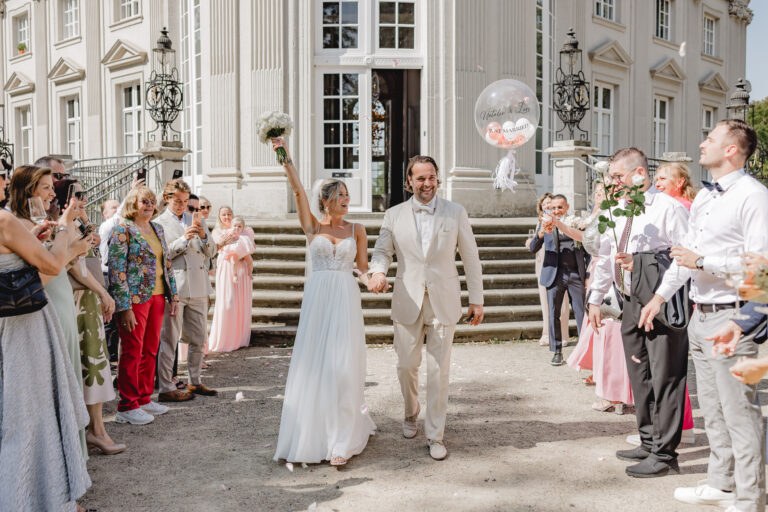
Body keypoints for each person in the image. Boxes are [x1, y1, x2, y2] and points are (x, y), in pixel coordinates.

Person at [639, 119, 768, 509]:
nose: (701, 142)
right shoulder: (706, 198)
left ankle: (750, 499)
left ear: (731, 149)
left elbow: (761, 267)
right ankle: (720, 482)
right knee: (712, 408)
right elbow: (685, 255)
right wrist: (660, 297)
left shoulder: (754, 196)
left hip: (734, 318)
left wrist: (704, 261)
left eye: (710, 138)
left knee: (740, 414)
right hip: (700, 314)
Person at [368, 154, 484, 461]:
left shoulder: (455, 212)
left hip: (444, 300)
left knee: (438, 370)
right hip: (407, 297)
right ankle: (411, 412)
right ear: (409, 182)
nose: (427, 183)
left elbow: (470, 257)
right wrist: (378, 271)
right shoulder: (393, 215)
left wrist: (477, 298)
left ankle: (436, 434)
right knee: (406, 365)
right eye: (420, 178)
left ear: (438, 179)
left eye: (431, 177)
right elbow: (382, 251)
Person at [271, 138, 375, 466]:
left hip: (344, 298)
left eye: (346, 194)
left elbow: (362, 268)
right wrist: (286, 158)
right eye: (339, 195)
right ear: (325, 200)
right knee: (316, 365)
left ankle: (342, 440)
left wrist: (373, 279)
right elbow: (299, 192)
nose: (345, 199)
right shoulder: (313, 227)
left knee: (343, 367)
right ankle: (314, 434)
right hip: (318, 301)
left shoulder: (358, 229)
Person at [588, 147, 690, 478]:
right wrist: (595, 297)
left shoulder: (668, 208)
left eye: (617, 176)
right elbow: (606, 255)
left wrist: (655, 286)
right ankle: (647, 439)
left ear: (639, 175)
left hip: (661, 301)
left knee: (666, 376)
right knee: (640, 375)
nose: (612, 182)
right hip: (630, 300)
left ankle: (664, 452)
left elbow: (683, 257)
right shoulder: (616, 209)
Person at [0, 169, 93, 512]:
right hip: (24, 327)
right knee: (31, 415)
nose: (3, 180)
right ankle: (28, 498)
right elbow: (52, 266)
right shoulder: (5, 220)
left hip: (5, 326)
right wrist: (67, 226)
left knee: (10, 412)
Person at [53, 179, 125, 456]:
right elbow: (76, 268)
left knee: (94, 364)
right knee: (88, 365)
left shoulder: (76, 224)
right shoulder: (60, 228)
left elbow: (92, 252)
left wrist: (83, 218)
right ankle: (94, 431)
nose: (84, 198)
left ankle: (97, 430)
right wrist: (104, 293)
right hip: (76, 301)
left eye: (85, 193)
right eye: (78, 194)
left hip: (87, 301)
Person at [108, 186, 179, 425]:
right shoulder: (122, 230)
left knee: (150, 349)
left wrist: (174, 295)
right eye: (143, 201)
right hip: (134, 299)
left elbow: (166, 264)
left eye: (151, 201)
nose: (149, 205)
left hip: (158, 295)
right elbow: (117, 272)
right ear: (133, 203)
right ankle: (126, 405)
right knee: (132, 350)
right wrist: (124, 306)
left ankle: (144, 397)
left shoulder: (157, 228)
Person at [155, 179, 217, 402]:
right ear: (167, 199)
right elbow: (162, 256)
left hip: (199, 285)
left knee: (199, 338)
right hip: (176, 288)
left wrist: (201, 235)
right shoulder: (158, 223)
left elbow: (211, 251)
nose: (183, 206)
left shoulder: (196, 219)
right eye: (178, 201)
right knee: (169, 339)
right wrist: (184, 239)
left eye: (186, 202)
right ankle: (165, 386)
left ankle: (195, 381)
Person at [529, 194, 587, 366]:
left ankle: (584, 350)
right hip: (554, 274)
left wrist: (588, 274)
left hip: (576, 274)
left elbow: (587, 248)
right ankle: (557, 351)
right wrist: (540, 233)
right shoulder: (545, 223)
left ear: (567, 207)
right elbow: (533, 248)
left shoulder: (576, 222)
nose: (556, 211)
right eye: (553, 208)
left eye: (560, 207)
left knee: (581, 313)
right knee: (553, 313)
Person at [526, 193, 570, 348]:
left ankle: (563, 334)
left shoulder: (560, 221)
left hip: (559, 262)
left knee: (562, 302)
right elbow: (534, 243)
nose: (547, 206)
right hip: (543, 263)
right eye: (544, 204)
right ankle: (547, 333)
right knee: (546, 302)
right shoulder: (540, 222)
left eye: (549, 204)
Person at [207, 216, 255, 352]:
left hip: (242, 267)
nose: (237, 228)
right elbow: (218, 249)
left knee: (239, 302)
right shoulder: (221, 233)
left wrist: (243, 254)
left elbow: (250, 249)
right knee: (228, 302)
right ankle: (226, 337)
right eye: (235, 226)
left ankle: (239, 337)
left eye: (239, 226)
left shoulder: (245, 236)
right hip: (228, 267)